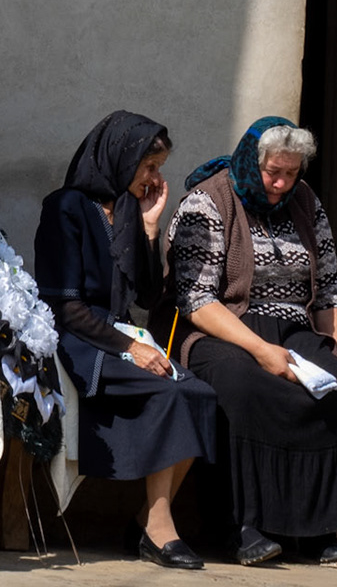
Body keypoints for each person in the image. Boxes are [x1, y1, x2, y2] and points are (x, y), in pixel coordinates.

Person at [155, 117, 337, 566]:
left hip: (293, 328)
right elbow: (195, 301)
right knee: (245, 385)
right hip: (221, 329)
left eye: (291, 173)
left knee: (332, 389)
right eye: (273, 172)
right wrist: (260, 350)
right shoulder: (208, 202)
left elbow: (329, 293)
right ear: (253, 162)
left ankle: (314, 529)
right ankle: (242, 526)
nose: (280, 183)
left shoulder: (307, 204)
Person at [36, 111, 218, 571]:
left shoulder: (126, 212)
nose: (155, 178)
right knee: (170, 391)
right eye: (149, 166)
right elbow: (67, 308)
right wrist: (129, 347)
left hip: (118, 334)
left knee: (199, 394)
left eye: (158, 168)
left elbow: (150, 295)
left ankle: (145, 520)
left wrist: (151, 228)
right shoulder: (66, 208)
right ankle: (160, 529)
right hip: (82, 339)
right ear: (121, 156)